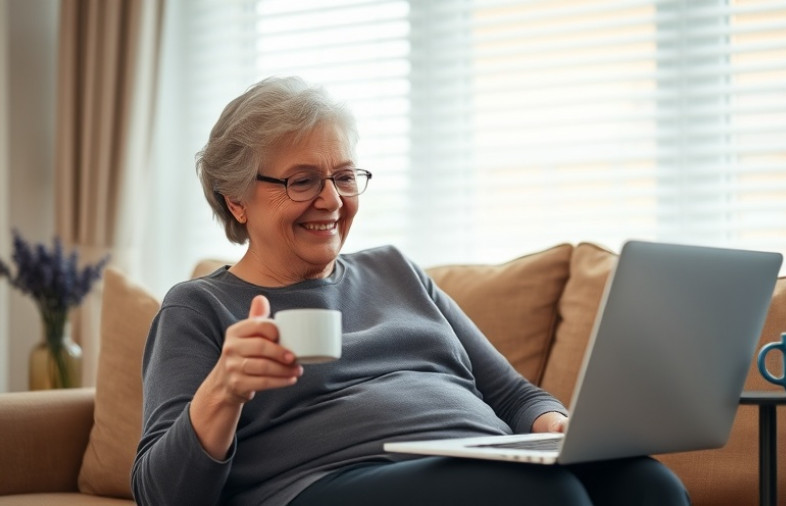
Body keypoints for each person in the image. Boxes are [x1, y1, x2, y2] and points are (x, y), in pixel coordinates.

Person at [131, 76, 691, 506]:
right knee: (545, 495)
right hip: (326, 481)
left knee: (646, 484)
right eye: (302, 181)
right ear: (236, 200)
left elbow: (514, 396)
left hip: (475, 459)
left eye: (344, 176)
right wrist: (224, 391)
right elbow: (160, 493)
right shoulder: (199, 307)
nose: (332, 200)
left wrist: (557, 428)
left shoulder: (396, 270)